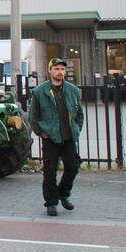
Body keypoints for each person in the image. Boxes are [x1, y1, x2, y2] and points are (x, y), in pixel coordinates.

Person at [29, 57, 84, 217]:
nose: (60, 72)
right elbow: (33, 117)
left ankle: (63, 193)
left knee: (73, 166)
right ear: (50, 71)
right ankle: (51, 203)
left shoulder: (73, 91)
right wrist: (41, 133)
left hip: (69, 137)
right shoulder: (40, 92)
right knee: (50, 171)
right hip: (50, 138)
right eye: (56, 69)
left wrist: (76, 129)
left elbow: (79, 114)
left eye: (62, 69)